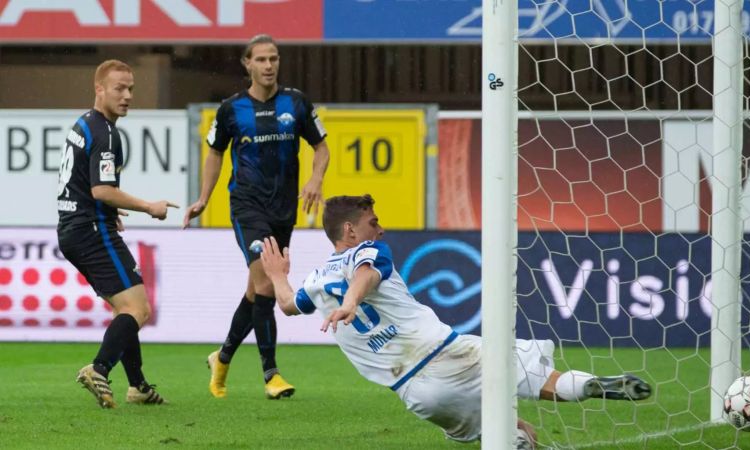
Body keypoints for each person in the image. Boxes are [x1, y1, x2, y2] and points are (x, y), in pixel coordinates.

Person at [258, 195, 652, 448]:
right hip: (450, 354)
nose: (380, 228)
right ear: (350, 230)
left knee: (514, 434)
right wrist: (351, 300)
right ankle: (588, 385)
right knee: (539, 378)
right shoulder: (370, 251)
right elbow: (364, 275)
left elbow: (291, 305)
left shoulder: (314, 279)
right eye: (373, 221)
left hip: (417, 394)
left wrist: (277, 274)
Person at [183, 34, 330, 400]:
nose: (269, 66)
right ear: (247, 64)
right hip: (247, 206)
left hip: (283, 210)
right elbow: (215, 153)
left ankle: (223, 357)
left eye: (274, 59)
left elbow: (322, 148)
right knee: (266, 282)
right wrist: (203, 198)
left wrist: (315, 178)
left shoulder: (295, 103)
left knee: (256, 289)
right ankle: (271, 374)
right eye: (261, 60)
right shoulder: (231, 109)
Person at [57, 59, 178, 408]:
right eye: (119, 89)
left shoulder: (84, 123)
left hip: (75, 228)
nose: (127, 96)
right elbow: (101, 189)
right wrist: (148, 206)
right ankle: (99, 368)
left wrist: (109, 210)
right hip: (91, 231)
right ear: (99, 89)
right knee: (139, 310)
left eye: (131, 89)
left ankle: (138, 386)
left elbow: (83, 184)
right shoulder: (107, 133)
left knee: (125, 308)